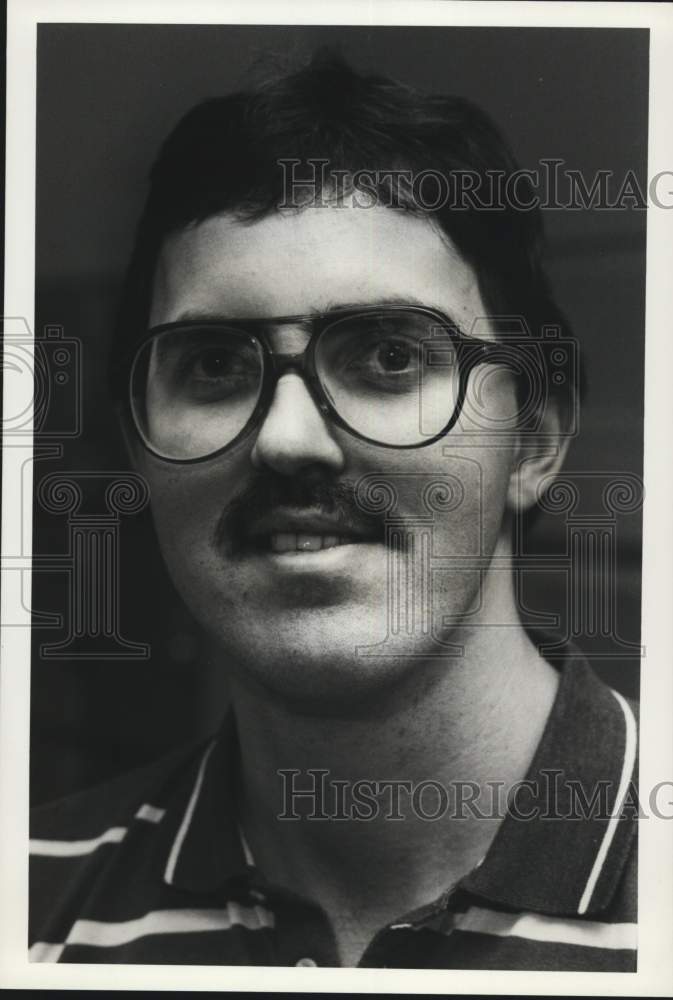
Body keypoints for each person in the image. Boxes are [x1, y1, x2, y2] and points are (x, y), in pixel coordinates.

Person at [29, 53, 637, 970]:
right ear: (138, 449)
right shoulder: (28, 907)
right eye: (213, 364)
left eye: (389, 356)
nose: (287, 439)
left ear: (533, 441)